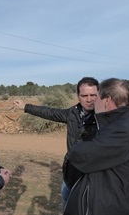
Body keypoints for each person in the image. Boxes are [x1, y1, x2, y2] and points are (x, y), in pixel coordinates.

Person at [64, 78, 129, 215]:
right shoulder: (122, 124)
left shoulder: (123, 130)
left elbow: (80, 156)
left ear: (106, 101)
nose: (92, 101)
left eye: (96, 97)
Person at [13, 77, 99, 212]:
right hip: (69, 177)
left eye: (93, 95)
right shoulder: (73, 113)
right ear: (78, 96)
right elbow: (50, 113)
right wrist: (26, 107)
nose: (89, 99)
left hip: (89, 181)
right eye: (84, 95)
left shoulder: (104, 118)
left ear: (99, 95)